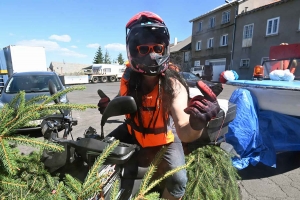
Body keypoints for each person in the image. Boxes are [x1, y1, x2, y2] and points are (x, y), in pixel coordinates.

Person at [98, 11, 220, 200]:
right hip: (132, 132)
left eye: (157, 48)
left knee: (179, 180)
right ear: (133, 50)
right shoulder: (129, 78)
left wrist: (198, 122)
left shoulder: (173, 84)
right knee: (97, 156)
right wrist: (109, 106)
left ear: (165, 49)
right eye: (144, 49)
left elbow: (185, 130)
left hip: (165, 139)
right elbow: (121, 101)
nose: (152, 55)